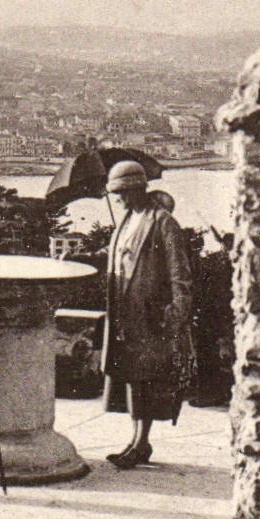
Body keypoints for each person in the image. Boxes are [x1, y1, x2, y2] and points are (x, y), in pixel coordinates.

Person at [96, 160, 194, 469]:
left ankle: (141, 442)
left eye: (120, 193)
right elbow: (119, 258)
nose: (117, 199)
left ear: (135, 189)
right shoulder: (127, 220)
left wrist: (177, 310)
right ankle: (137, 440)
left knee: (147, 379)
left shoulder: (163, 222)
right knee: (133, 378)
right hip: (125, 312)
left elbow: (179, 272)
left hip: (150, 314)